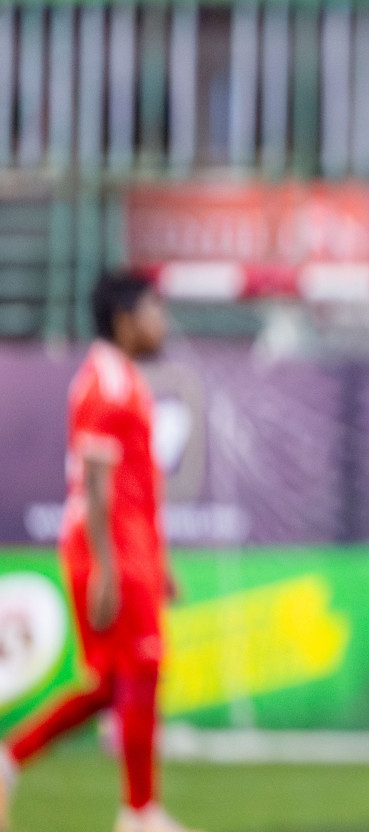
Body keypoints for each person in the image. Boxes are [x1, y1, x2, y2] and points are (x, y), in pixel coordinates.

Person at [0, 273, 198, 832]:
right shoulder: (105, 383)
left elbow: (134, 480)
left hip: (128, 546)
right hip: (108, 545)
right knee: (142, 664)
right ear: (124, 320)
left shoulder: (123, 379)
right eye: (154, 310)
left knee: (114, 683)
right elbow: (94, 479)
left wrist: (159, 564)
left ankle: (10, 758)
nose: (162, 321)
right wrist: (109, 569)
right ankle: (140, 816)